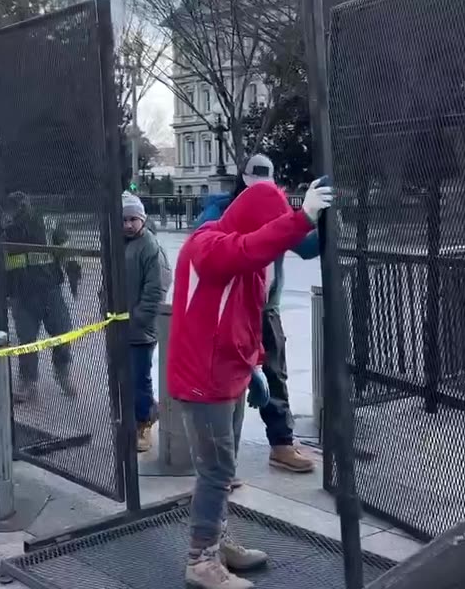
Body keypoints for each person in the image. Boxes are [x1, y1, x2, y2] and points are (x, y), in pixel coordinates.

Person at [169, 178, 332, 589]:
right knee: (216, 469)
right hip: (203, 379)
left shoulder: (251, 264)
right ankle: (200, 559)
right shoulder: (207, 245)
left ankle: (216, 540)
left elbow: (245, 317)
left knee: (223, 468)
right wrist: (303, 216)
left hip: (229, 373)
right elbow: (248, 249)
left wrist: (254, 365)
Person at [193, 154, 320, 474]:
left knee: (275, 375)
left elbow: (306, 247)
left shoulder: (274, 206)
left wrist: (327, 216)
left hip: (265, 308)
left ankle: (281, 443)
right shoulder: (221, 209)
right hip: (231, 309)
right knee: (227, 383)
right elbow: (200, 238)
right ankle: (222, 462)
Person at [2, 191, 75, 402]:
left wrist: (71, 268)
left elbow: (63, 247)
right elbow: (1, 263)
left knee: (62, 333)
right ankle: (28, 381)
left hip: (49, 288)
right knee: (26, 340)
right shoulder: (6, 229)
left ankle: (62, 374)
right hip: (21, 293)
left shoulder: (46, 222)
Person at [121, 192, 169, 452]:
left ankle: (144, 422)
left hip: (139, 329)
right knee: (124, 375)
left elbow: (156, 288)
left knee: (140, 378)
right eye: (124, 219)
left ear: (142, 219)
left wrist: (139, 318)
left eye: (133, 219)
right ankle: (136, 415)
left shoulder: (150, 246)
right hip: (120, 325)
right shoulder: (121, 244)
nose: (128, 224)